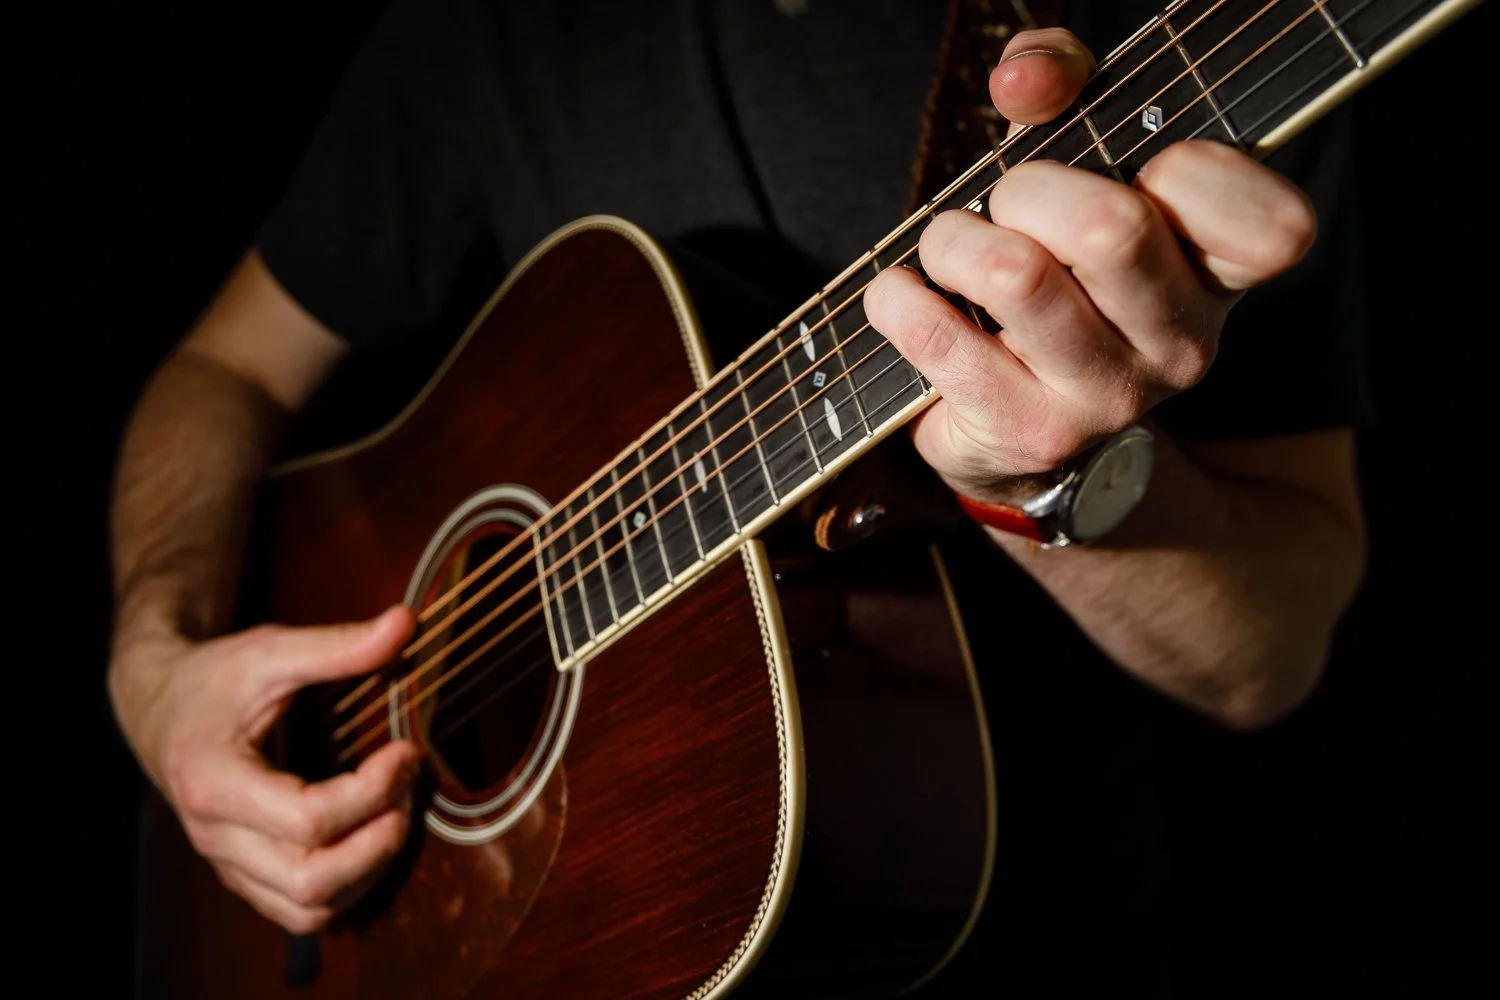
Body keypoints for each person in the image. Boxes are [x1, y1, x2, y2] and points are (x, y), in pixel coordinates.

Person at [106, 1, 1369, 993]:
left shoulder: (1167, 45)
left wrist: (1046, 482)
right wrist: (154, 658)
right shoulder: (481, 34)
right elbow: (224, 367)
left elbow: (1274, 652)